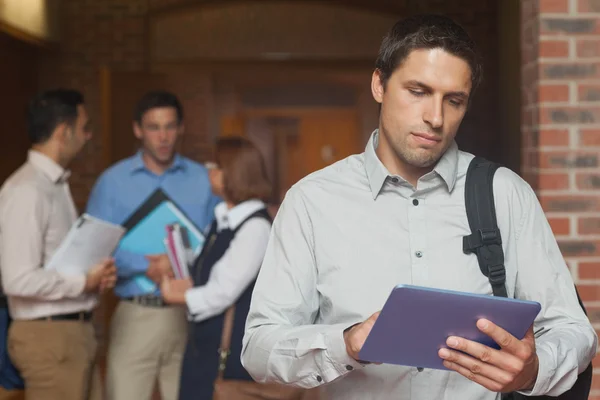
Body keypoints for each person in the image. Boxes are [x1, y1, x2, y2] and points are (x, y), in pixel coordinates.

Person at [241, 14, 598, 400]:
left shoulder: (505, 193)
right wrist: (346, 344)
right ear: (379, 84)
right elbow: (259, 348)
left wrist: (533, 369)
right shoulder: (311, 201)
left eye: (454, 100)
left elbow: (572, 329)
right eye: (418, 91)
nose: (435, 117)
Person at [86, 90, 221, 400]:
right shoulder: (113, 181)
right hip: (137, 313)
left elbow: (218, 240)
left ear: (181, 128)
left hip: (190, 315)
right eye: (153, 127)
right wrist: (147, 265)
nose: (163, 137)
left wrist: (180, 261)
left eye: (170, 126)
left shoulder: (203, 179)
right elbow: (95, 246)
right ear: (137, 130)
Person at [0, 89, 117, 400]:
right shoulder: (27, 190)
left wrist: (93, 278)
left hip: (72, 333)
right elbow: (17, 278)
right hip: (49, 337)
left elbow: (56, 262)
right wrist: (82, 281)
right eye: (84, 128)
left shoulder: (54, 184)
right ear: (64, 132)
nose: (88, 136)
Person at [160, 136, 272, 400]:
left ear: (233, 173)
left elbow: (222, 292)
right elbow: (207, 273)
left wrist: (178, 296)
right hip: (204, 347)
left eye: (214, 165)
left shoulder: (255, 227)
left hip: (227, 354)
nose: (208, 171)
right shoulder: (222, 219)